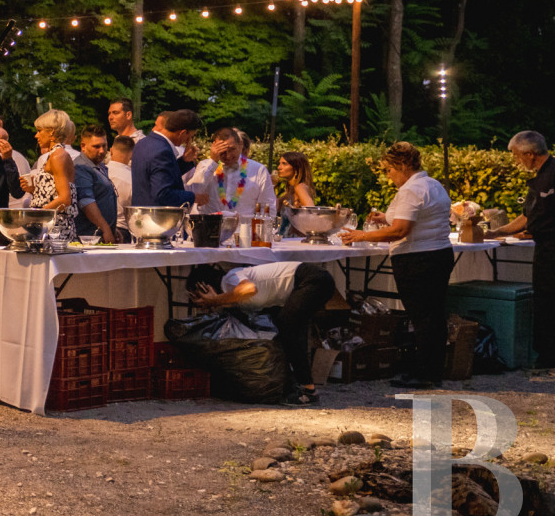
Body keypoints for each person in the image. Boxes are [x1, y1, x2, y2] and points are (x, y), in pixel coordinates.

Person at [340, 142, 453, 388]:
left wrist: (361, 235)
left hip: (417, 258)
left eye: (389, 170)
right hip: (439, 253)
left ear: (401, 166)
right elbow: (416, 218)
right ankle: (433, 371)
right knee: (434, 315)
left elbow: (402, 230)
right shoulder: (433, 185)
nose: (388, 176)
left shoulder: (411, 189)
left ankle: (424, 375)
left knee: (422, 317)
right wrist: (386, 218)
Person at [189, 260, 336, 406]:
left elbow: (249, 289)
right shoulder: (230, 296)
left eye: (200, 299)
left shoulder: (230, 278)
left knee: (288, 327)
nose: (202, 305)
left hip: (312, 279)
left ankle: (308, 391)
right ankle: (298, 384)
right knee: (290, 329)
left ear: (205, 287)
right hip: (309, 282)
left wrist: (214, 300)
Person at [487, 130, 554, 366]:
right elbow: (526, 217)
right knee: (544, 299)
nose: (516, 161)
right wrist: (497, 232)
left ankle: (548, 357)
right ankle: (546, 355)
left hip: (551, 246)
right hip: (544, 249)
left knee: (549, 300)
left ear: (530, 153)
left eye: (516, 156)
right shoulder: (537, 179)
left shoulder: (553, 174)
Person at [185, 127, 277, 236]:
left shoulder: (258, 170)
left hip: (244, 236)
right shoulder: (205, 166)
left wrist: (264, 236)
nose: (228, 155)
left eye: (232, 149)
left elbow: (268, 206)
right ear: (214, 148)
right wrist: (213, 162)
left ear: (241, 145)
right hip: (208, 234)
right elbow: (194, 192)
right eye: (222, 150)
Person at [19, 110, 85, 244]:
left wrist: (36, 216)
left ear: (52, 132)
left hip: (55, 229)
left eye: (39, 130)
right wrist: (34, 190)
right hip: (50, 226)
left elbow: (64, 199)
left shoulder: (58, 156)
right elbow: (55, 193)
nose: (36, 135)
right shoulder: (55, 155)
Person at [130, 109, 211, 209]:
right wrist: (194, 197)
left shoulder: (143, 143)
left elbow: (156, 176)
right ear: (182, 133)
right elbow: (163, 194)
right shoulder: (162, 150)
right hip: (156, 219)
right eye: (189, 137)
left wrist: (183, 161)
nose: (188, 141)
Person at [65, 121, 119, 244]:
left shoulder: (98, 165)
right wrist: (106, 229)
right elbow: (86, 202)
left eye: (104, 146)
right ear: (83, 146)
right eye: (96, 146)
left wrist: (112, 228)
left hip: (100, 235)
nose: (102, 151)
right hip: (90, 238)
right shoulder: (81, 167)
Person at [106, 135, 136, 236]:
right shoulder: (133, 179)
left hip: (102, 227)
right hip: (124, 230)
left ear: (111, 150)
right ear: (132, 155)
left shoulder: (100, 172)